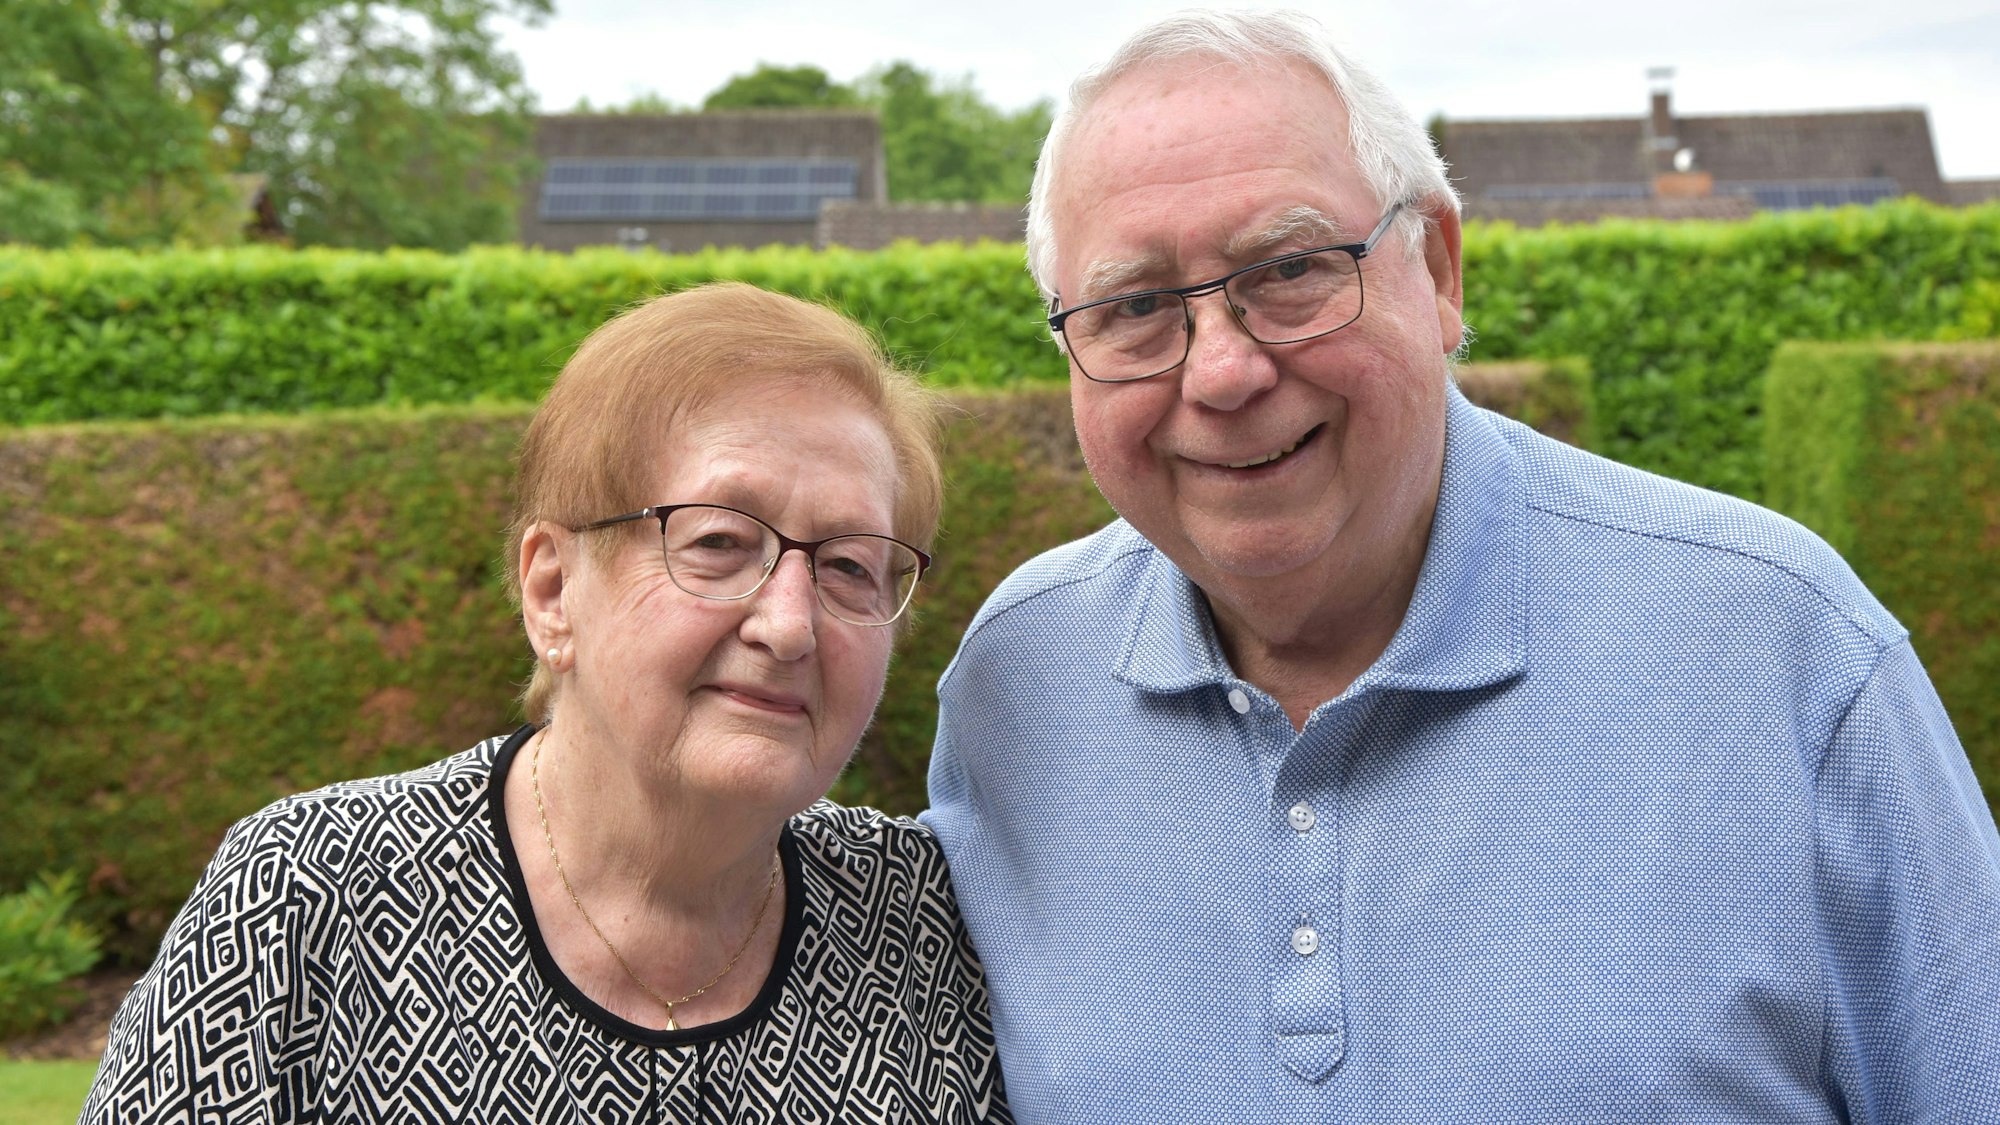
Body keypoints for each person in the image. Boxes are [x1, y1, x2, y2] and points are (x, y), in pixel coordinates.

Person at [924, 10, 2000, 1123]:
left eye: (1289, 269)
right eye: (1135, 308)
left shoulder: (1785, 655)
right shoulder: (1018, 683)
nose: (1225, 372)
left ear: (1435, 269)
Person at [85, 283, 1010, 1123]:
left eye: (851, 565)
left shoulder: (927, 920)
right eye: (721, 541)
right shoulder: (307, 898)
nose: (790, 624)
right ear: (552, 592)